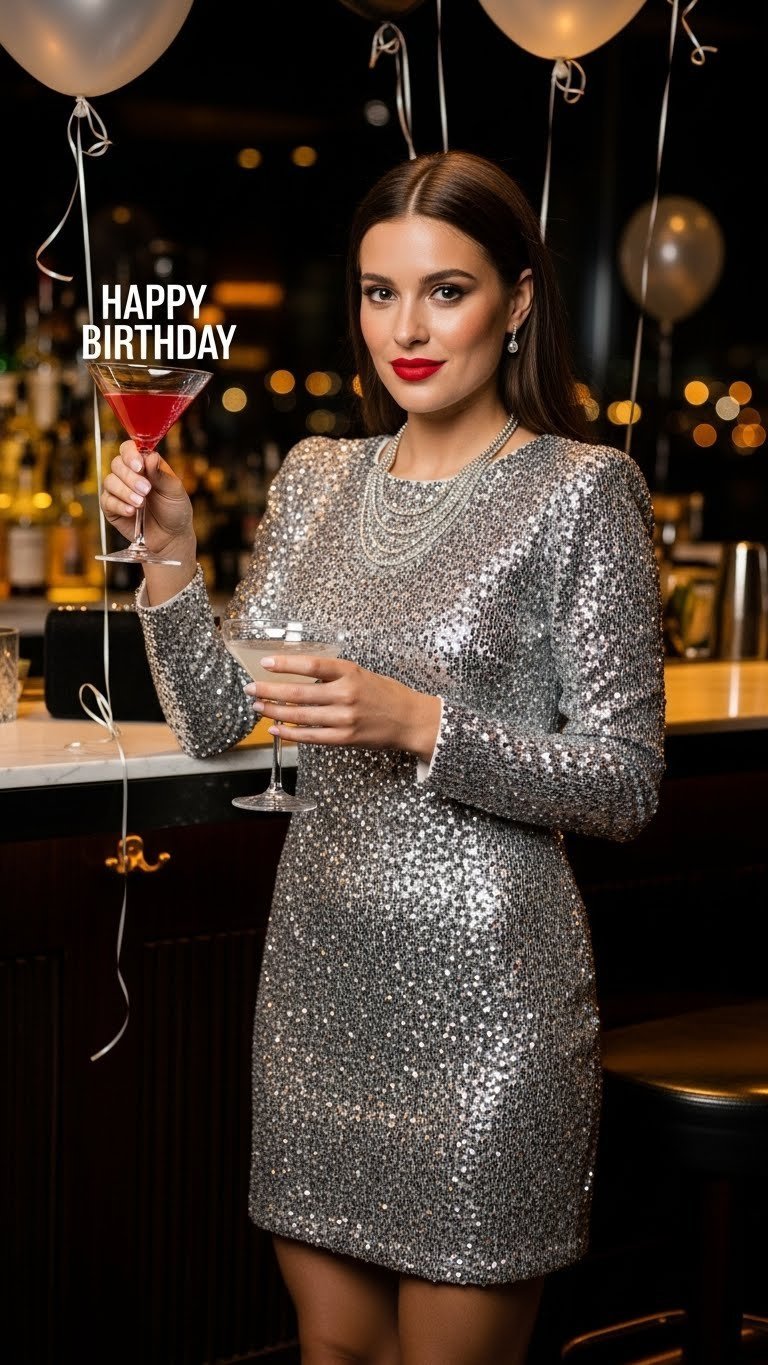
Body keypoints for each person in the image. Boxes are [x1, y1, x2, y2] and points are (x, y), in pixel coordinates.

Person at [100, 150, 666, 1365]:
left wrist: (419, 722)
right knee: (333, 1352)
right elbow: (215, 722)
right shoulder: (314, 480)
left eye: (445, 292)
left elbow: (626, 782)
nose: (405, 331)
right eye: (377, 293)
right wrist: (169, 556)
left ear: (517, 300)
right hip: (319, 979)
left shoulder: (582, 491)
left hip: (490, 1001)